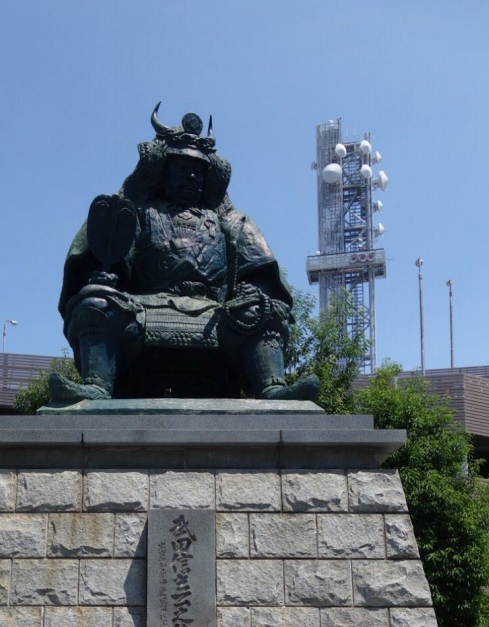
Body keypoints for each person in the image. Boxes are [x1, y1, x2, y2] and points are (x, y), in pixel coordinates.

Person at [50, 105, 319, 405]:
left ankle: (272, 388)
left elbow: (261, 272)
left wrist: (252, 292)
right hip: (144, 309)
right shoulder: (139, 213)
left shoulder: (231, 221)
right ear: (163, 170)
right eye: (181, 167)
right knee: (96, 302)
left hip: (216, 313)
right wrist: (106, 276)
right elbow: (107, 246)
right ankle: (96, 387)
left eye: (198, 170)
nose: (191, 174)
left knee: (262, 309)